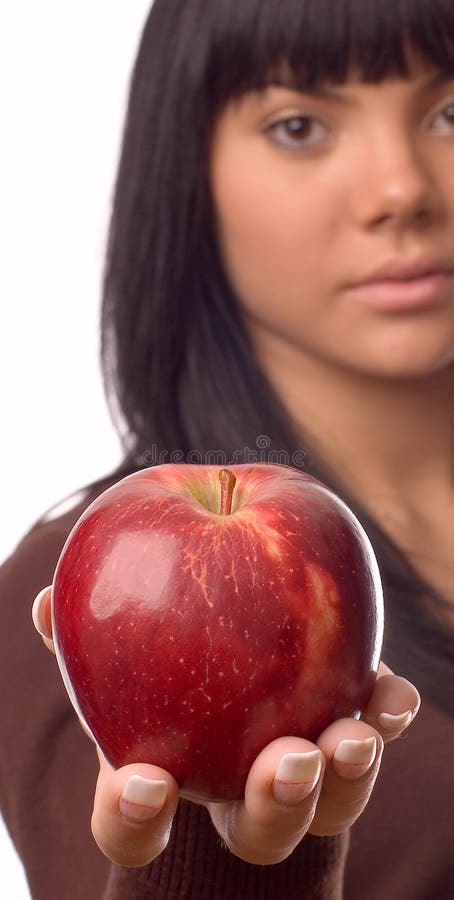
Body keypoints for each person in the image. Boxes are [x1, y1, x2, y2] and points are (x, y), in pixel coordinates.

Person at [1, 0, 453, 897]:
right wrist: (226, 856)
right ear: (187, 172)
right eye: (298, 125)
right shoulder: (103, 586)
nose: (402, 189)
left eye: (452, 113)